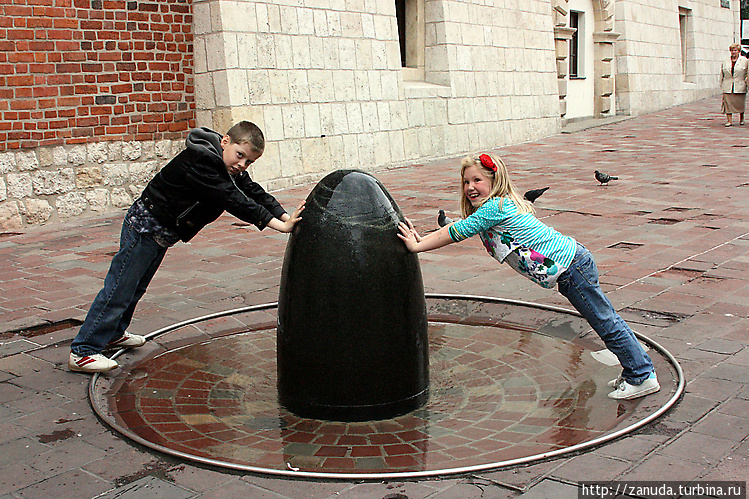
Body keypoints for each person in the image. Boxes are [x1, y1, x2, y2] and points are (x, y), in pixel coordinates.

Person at [397, 153, 660, 400]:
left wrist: (418, 246)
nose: (470, 187)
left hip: (572, 267)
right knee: (605, 318)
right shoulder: (492, 209)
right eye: (466, 181)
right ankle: (635, 368)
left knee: (604, 321)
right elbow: (458, 226)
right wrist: (422, 239)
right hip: (572, 265)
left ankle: (641, 376)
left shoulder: (495, 208)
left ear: (495, 181)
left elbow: (456, 233)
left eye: (477, 180)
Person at [69, 121, 304, 373]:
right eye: (240, 155)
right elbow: (233, 199)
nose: (242, 165)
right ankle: (83, 350)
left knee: (135, 287)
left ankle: (113, 333)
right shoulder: (202, 160)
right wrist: (280, 226)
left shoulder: (225, 166)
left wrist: (284, 216)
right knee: (120, 287)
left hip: (161, 233)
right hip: (145, 228)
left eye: (249, 162)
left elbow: (251, 191)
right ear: (225, 142)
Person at [720, 43, 749, 127]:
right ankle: (729, 121)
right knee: (727, 103)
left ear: (739, 51)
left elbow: (747, 73)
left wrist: (746, 83)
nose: (733, 52)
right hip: (728, 85)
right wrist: (721, 83)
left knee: (740, 103)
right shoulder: (725, 61)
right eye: (732, 50)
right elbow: (722, 73)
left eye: (735, 50)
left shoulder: (745, 61)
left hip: (740, 85)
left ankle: (741, 118)